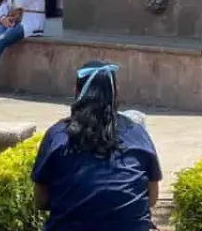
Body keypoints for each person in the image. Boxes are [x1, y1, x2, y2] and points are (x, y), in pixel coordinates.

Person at [32, 60, 162, 231]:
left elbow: (41, 200)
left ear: (76, 92)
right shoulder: (137, 134)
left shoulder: (57, 136)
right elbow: (151, 198)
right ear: (115, 93)